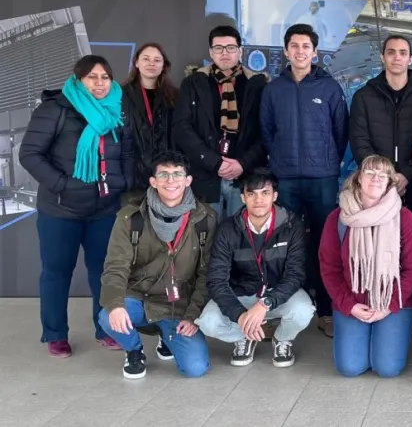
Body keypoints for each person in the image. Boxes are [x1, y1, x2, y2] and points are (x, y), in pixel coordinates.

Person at [20, 55, 134, 358]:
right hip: (61, 210)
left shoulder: (117, 108)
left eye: (105, 77)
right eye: (92, 77)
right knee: (57, 273)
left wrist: (123, 182)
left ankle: (105, 327)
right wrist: (64, 185)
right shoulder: (55, 108)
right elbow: (30, 154)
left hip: (104, 209)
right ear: (78, 79)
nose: (99, 83)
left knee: (105, 272)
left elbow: (128, 151)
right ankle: (55, 334)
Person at [260, 23, 348, 337]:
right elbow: (267, 133)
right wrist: (283, 161)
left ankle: (326, 309)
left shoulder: (329, 88)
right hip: (285, 180)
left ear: (314, 51)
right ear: (286, 50)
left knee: (326, 245)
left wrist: (324, 161)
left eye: (305, 46)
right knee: (282, 246)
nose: (300, 51)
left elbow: (341, 132)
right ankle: (278, 310)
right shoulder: (273, 89)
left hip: (322, 179)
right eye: (294, 46)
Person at [98, 151, 216, 379]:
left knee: (195, 369)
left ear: (188, 180)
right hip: (141, 297)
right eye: (163, 175)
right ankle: (134, 350)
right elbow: (115, 267)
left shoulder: (205, 219)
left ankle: (167, 335)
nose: (171, 181)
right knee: (107, 315)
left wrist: (192, 315)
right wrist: (115, 304)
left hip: (179, 305)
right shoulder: (130, 218)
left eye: (177, 174)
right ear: (153, 181)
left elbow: (207, 273)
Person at [350, 34, 412, 331]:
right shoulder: (364, 96)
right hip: (375, 189)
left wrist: (406, 174)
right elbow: (359, 141)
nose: (397, 57)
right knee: (375, 245)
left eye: (403, 53)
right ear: (383, 58)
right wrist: (382, 177)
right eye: (391, 52)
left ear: (411, 59)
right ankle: (374, 298)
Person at [196, 168, 313, 368]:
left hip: (277, 294)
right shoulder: (227, 229)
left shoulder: (292, 226)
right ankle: (245, 336)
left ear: (275, 196)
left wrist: (265, 303)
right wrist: (240, 315)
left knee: (304, 311)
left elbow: (295, 275)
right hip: (241, 294)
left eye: (265, 193)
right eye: (252, 194)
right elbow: (216, 280)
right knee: (208, 323)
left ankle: (282, 339)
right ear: (243, 197)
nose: (258, 200)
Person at [319, 155, 412, 377]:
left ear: (389, 183)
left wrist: (389, 305)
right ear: (358, 179)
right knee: (350, 367)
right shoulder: (338, 219)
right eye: (370, 173)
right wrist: (350, 306)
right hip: (353, 300)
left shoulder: (404, 218)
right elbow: (330, 269)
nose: (376, 178)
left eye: (383, 175)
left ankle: (382, 335)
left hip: (392, 301)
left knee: (387, 368)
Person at [174, 25, 268, 219]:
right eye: (218, 48)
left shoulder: (257, 84)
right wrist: (215, 163)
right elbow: (182, 128)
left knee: (241, 241)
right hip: (205, 176)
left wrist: (242, 164)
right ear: (211, 52)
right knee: (204, 241)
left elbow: (267, 132)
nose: (225, 53)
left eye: (231, 47)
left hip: (245, 177)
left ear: (240, 51)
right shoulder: (193, 83)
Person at [122, 43, 178, 194]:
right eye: (146, 59)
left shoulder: (175, 97)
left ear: (163, 66)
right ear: (136, 63)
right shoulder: (121, 95)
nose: (151, 64)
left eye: (157, 60)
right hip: (132, 175)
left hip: (166, 176)